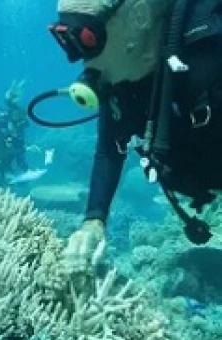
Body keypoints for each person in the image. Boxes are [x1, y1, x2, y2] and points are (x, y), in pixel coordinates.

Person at [47, 0, 222, 270]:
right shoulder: (120, 83)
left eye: (87, 38)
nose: (83, 60)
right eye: (67, 41)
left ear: (138, 16)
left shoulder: (211, 50)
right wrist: (94, 221)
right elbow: (109, 150)